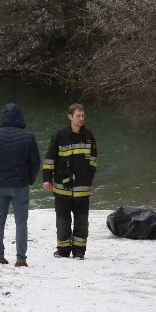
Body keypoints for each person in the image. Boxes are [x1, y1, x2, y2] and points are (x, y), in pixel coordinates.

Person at [0, 103, 41, 267]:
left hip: (0, 185)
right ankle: (21, 258)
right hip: (20, 185)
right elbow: (35, 162)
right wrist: (29, 179)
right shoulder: (28, 136)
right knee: (21, 222)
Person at [42, 103, 98, 260]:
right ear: (70, 117)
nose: (81, 118)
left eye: (83, 116)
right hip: (62, 187)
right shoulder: (60, 135)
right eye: (78, 116)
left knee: (82, 220)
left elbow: (93, 160)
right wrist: (47, 179)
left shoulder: (89, 136)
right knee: (62, 220)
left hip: (82, 188)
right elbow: (49, 158)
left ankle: (79, 252)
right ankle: (63, 250)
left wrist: (88, 177)